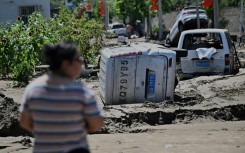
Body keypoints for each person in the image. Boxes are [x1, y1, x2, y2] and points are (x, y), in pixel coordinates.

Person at [19, 41, 103, 153]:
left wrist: (47, 132)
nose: (81, 63)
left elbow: (24, 122)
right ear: (65, 63)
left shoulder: (33, 89)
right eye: (78, 60)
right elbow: (96, 124)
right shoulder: (81, 91)